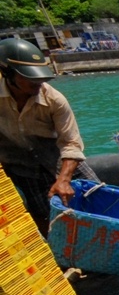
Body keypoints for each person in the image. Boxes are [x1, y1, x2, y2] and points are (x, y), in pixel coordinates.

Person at [0, 38, 95, 236]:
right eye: (29, 78)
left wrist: (64, 179)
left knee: (98, 199)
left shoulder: (54, 99)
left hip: (59, 158)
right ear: (7, 73)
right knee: (49, 222)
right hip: (21, 165)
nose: (37, 82)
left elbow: (71, 143)